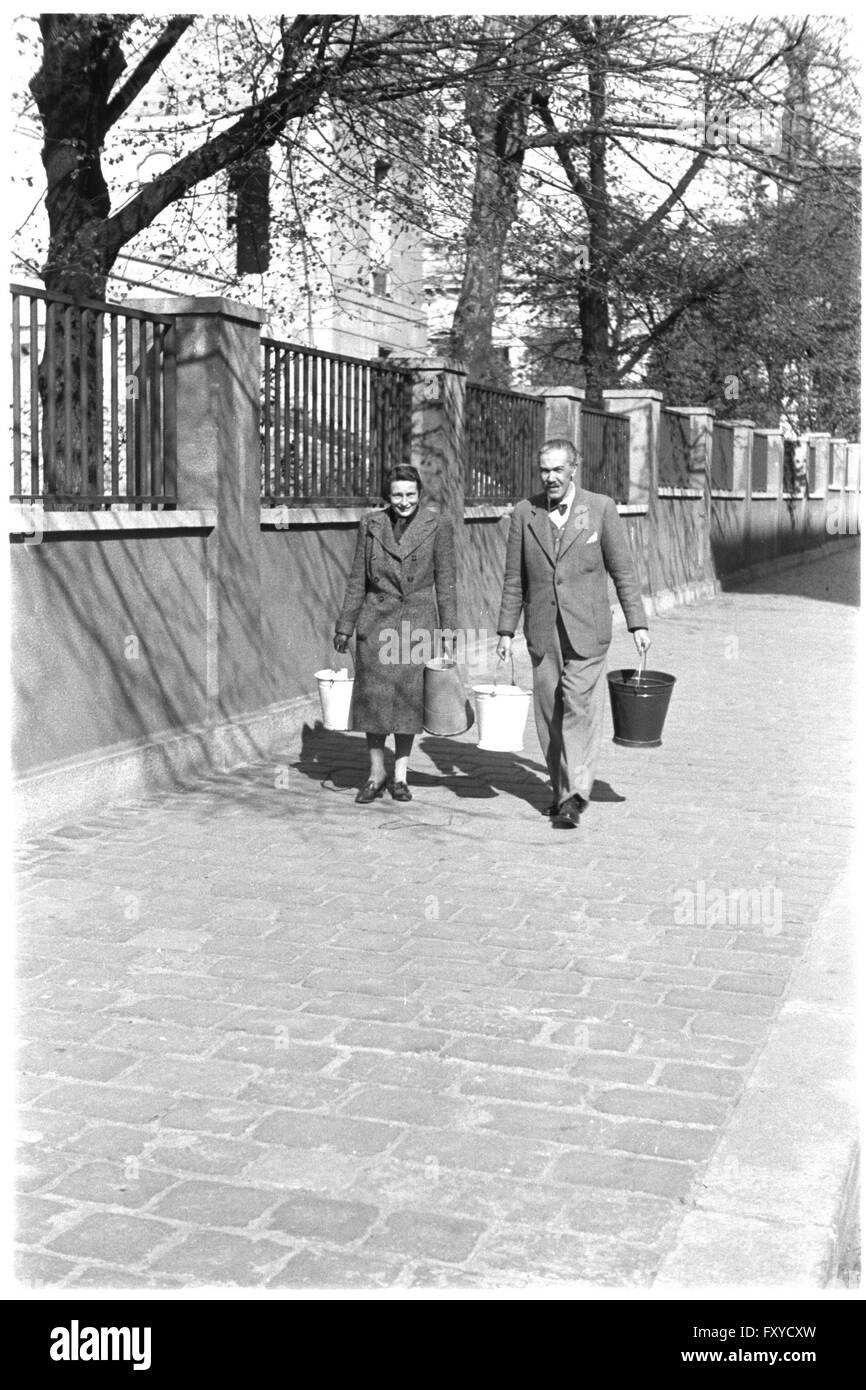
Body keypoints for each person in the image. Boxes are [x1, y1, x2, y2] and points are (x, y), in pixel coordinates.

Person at [496, 438, 651, 829]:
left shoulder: (600, 509)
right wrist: (504, 630)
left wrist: (638, 624)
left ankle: (574, 796)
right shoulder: (524, 513)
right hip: (543, 631)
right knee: (549, 714)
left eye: (558, 470)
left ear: (573, 470)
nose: (550, 477)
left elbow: (623, 572)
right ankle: (560, 788)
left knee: (578, 711)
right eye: (544, 470)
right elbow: (515, 579)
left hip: (588, 630)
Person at [334, 464, 457, 804]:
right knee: (373, 701)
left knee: (407, 702)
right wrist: (345, 626)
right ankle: (376, 774)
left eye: (410, 495)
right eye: (397, 495)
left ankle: (400, 777)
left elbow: (446, 584)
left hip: (416, 625)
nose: (404, 502)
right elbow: (358, 579)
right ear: (387, 496)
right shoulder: (371, 525)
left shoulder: (438, 525)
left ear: (420, 495)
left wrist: (448, 634)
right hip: (375, 624)